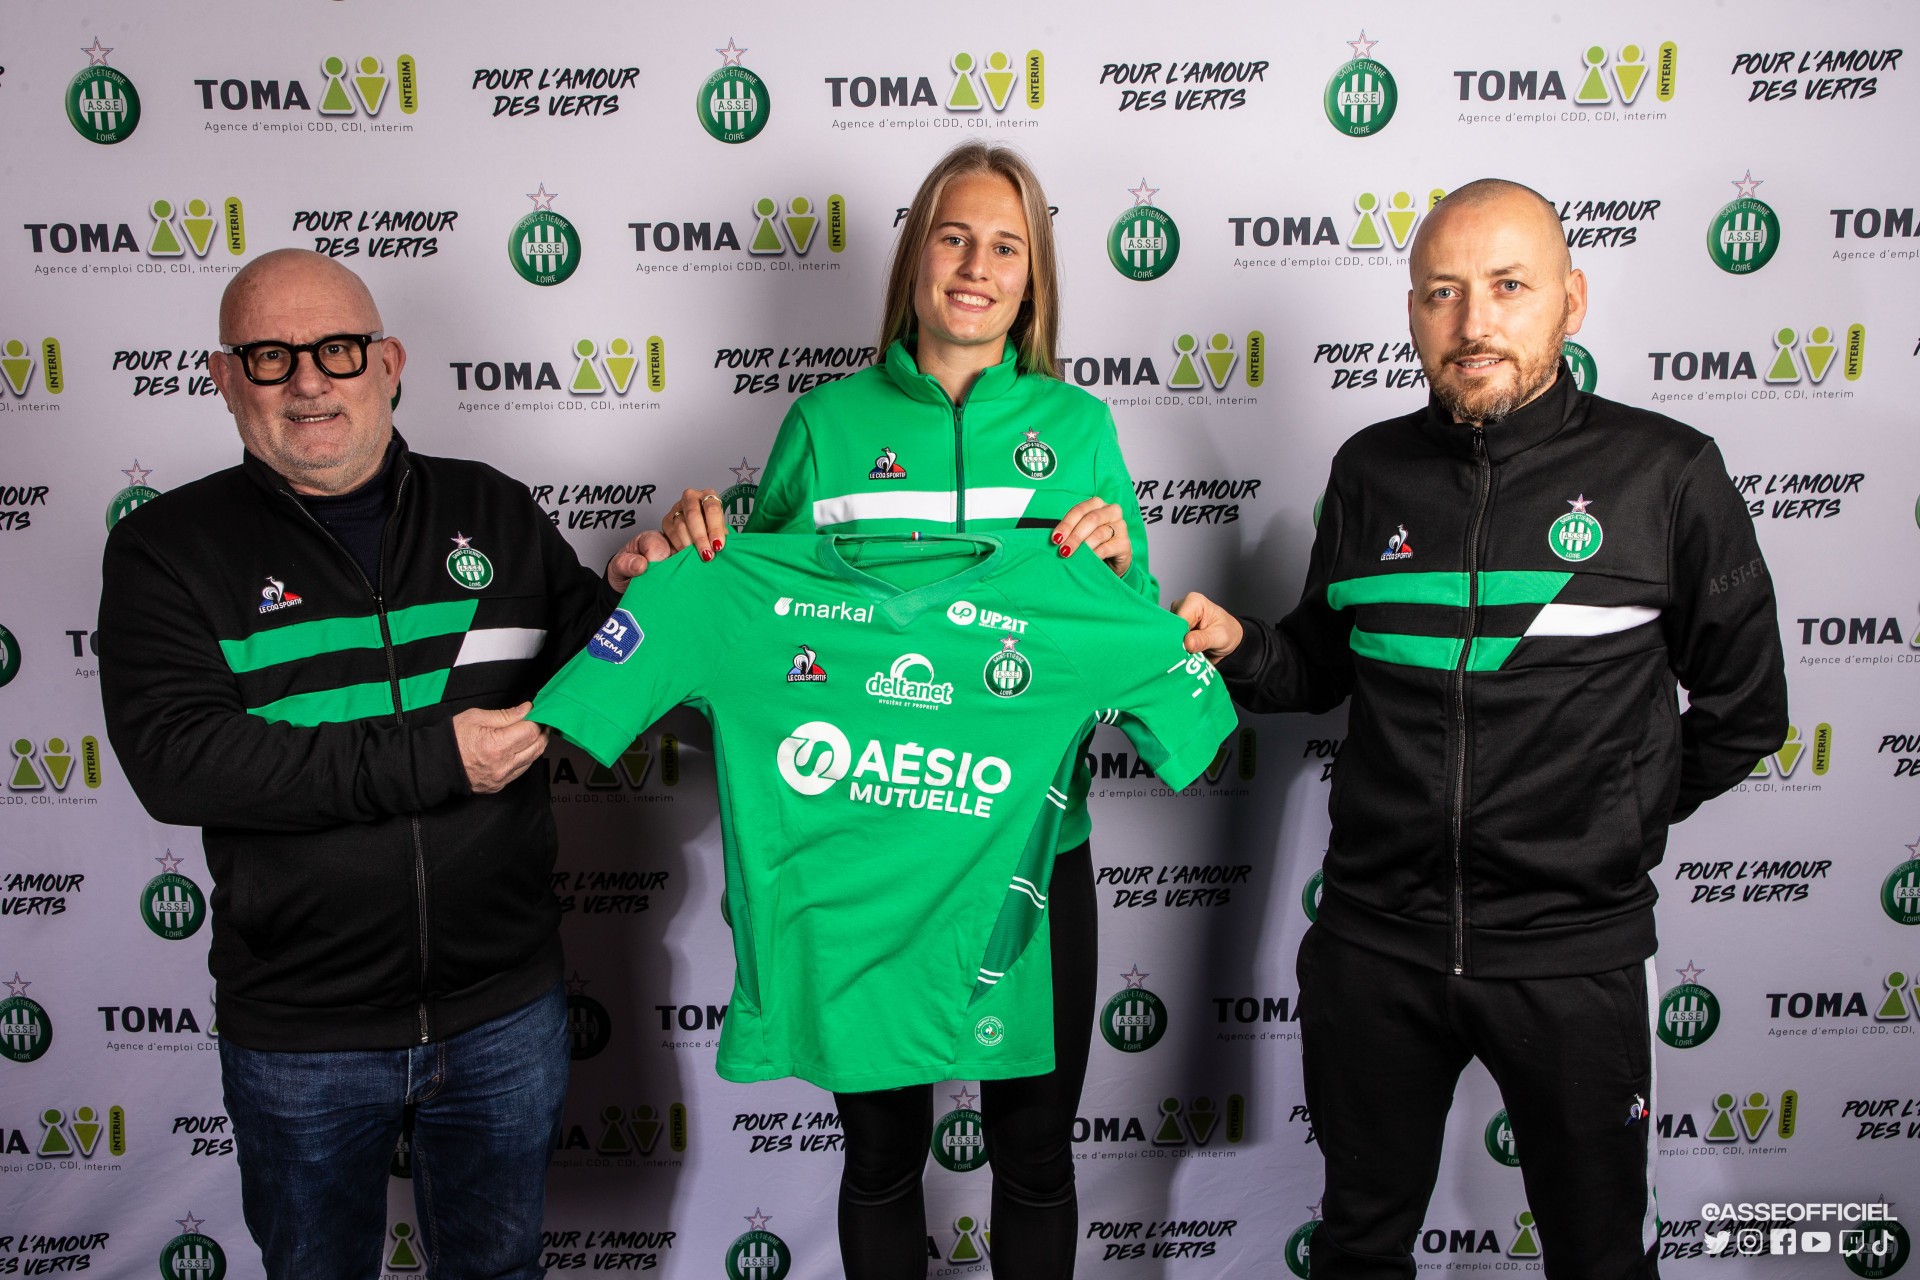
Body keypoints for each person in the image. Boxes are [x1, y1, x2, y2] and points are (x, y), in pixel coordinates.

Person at [1174, 180, 1787, 1279]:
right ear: (1413, 310)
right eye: (1442, 293)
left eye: (1508, 286)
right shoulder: (1369, 470)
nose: (1474, 322)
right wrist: (1239, 645)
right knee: (1359, 1248)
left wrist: (1613, 817)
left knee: (1600, 1257)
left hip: (1572, 955)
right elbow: (1320, 663)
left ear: (1571, 300)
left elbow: (1747, 713)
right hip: (1374, 946)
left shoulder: (1667, 472)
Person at [641, 142, 1158, 1279]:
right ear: (915, 257)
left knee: (1036, 1154)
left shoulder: (1078, 430)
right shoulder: (825, 425)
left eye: (1006, 246)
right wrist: (674, 572)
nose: (976, 266)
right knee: (881, 1155)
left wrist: (1121, 574)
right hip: (862, 853)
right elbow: (758, 620)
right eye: (953, 237)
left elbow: (1134, 641)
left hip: (1032, 849)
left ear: (1034, 278)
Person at [97, 249, 653, 1280]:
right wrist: (437, 758)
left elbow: (596, 667)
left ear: (388, 364)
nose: (308, 380)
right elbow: (180, 761)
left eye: (339, 350)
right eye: (270, 356)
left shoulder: (494, 509)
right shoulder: (167, 548)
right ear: (225, 379)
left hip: (505, 1011)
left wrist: (646, 598)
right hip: (300, 1036)